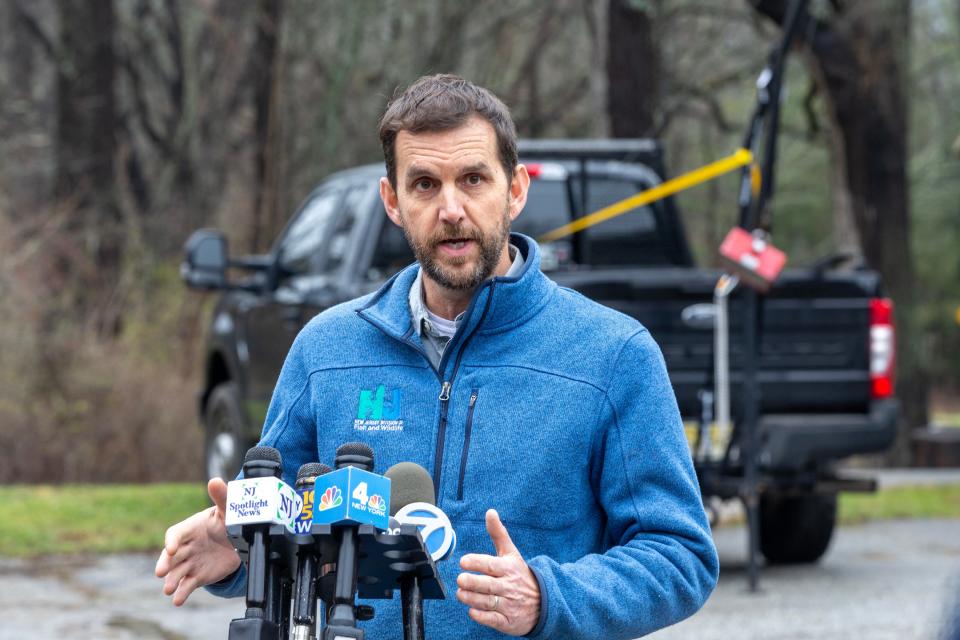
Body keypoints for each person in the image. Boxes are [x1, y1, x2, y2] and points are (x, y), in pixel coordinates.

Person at [156, 74, 718, 639]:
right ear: (393, 201)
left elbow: (680, 555)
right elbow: (287, 526)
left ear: (516, 190)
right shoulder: (326, 350)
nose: (451, 208)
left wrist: (548, 597)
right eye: (425, 184)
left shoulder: (612, 354)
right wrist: (238, 547)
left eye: (473, 179)